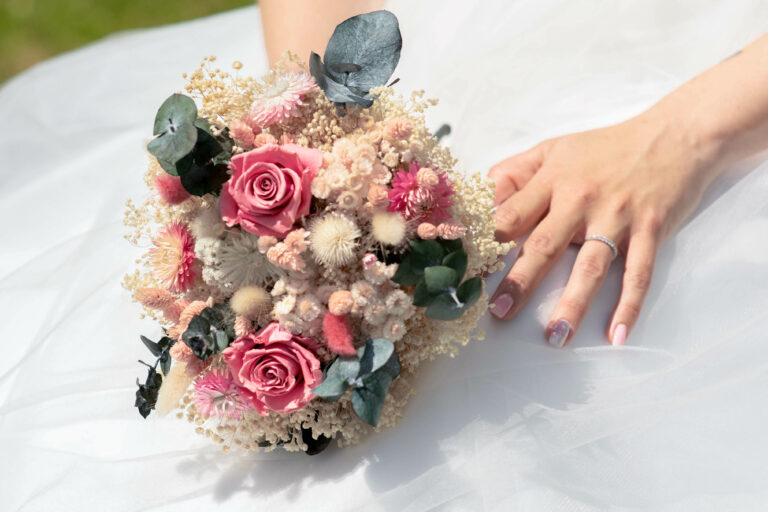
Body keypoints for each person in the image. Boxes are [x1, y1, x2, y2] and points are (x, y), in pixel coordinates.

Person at [261, 0, 768, 348]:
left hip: (720, 83)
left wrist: (682, 138)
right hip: (432, 55)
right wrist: (319, 139)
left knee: (550, 299)